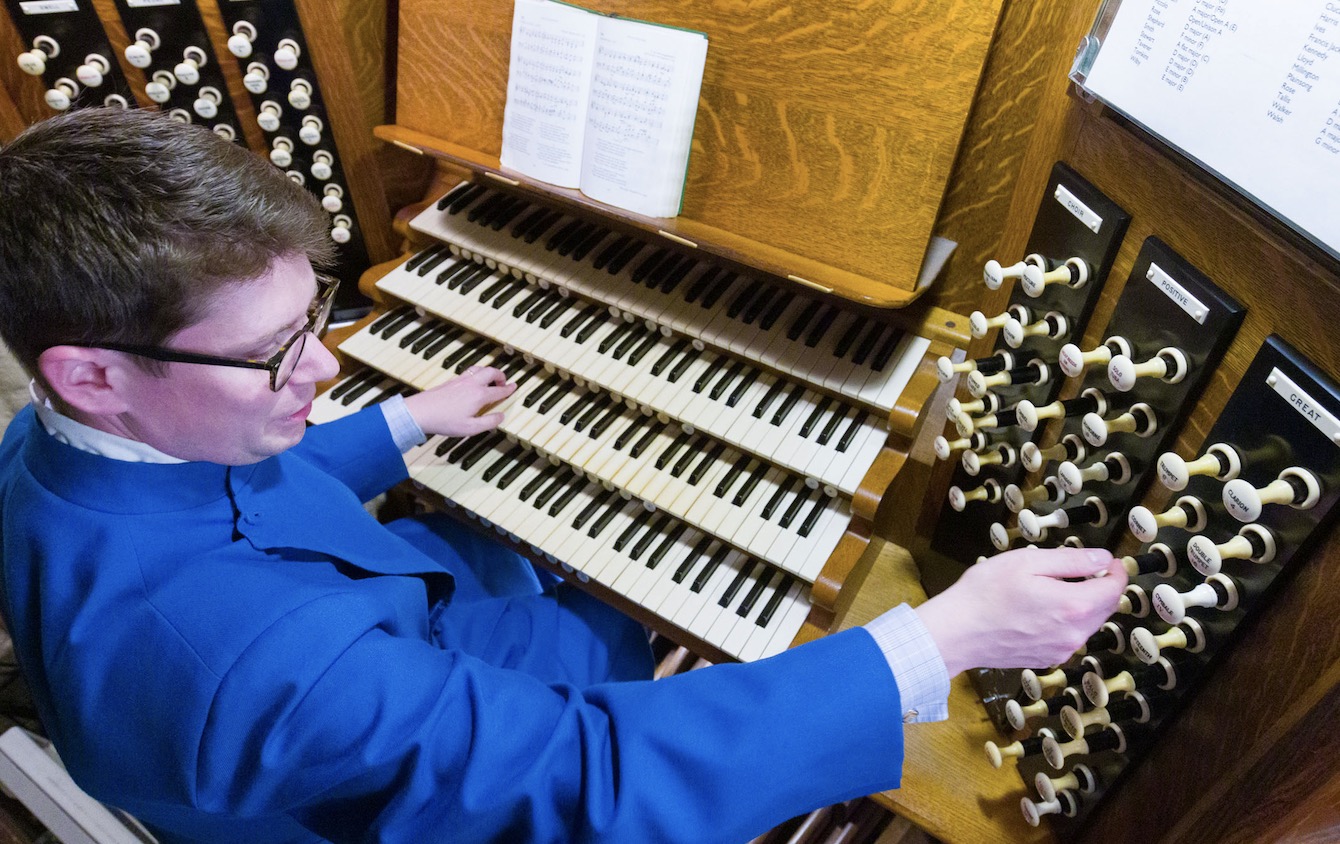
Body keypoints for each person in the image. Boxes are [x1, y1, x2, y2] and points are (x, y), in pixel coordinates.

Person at [0, 107, 1127, 844]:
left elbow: (222, 500)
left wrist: (397, 427)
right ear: (92, 373)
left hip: (369, 624)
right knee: (616, 629)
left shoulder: (50, 448)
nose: (326, 360)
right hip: (400, 737)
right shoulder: (264, 669)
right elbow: (588, 776)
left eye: (316, 314)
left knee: (539, 552)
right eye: (275, 351)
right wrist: (942, 639)